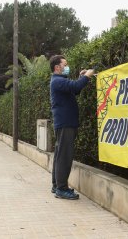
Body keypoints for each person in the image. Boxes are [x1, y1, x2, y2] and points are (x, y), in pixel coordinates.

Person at [50, 55, 95, 200]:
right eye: (65, 64)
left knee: (59, 155)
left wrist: (81, 78)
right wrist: (87, 76)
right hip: (66, 123)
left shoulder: (60, 81)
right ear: (58, 67)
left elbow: (74, 89)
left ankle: (57, 185)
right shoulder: (57, 81)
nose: (67, 66)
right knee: (64, 156)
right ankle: (62, 189)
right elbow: (75, 86)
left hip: (64, 123)